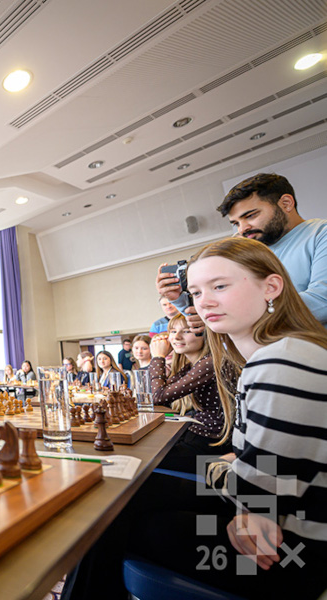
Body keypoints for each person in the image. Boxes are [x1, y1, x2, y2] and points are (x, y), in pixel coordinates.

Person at [63, 237, 327, 599]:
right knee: (119, 497)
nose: (205, 303)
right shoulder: (278, 354)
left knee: (108, 520)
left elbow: (259, 489)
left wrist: (231, 475)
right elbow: (257, 473)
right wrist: (236, 474)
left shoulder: (281, 361)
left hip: (290, 553)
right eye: (197, 292)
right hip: (276, 515)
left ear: (271, 287)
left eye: (220, 286)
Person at [159, 173, 327, 327]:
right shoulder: (244, 248)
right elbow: (213, 321)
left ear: (286, 203)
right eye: (236, 223)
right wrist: (180, 300)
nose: (242, 229)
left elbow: (320, 302)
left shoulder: (320, 234)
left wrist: (232, 311)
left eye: (250, 216)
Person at [148, 316, 223, 473]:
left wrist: (158, 358)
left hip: (211, 442)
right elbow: (160, 397)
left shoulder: (210, 362)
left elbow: (158, 396)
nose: (176, 337)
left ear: (205, 334)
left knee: (146, 459)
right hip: (197, 435)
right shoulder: (191, 366)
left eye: (186, 331)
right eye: (173, 331)